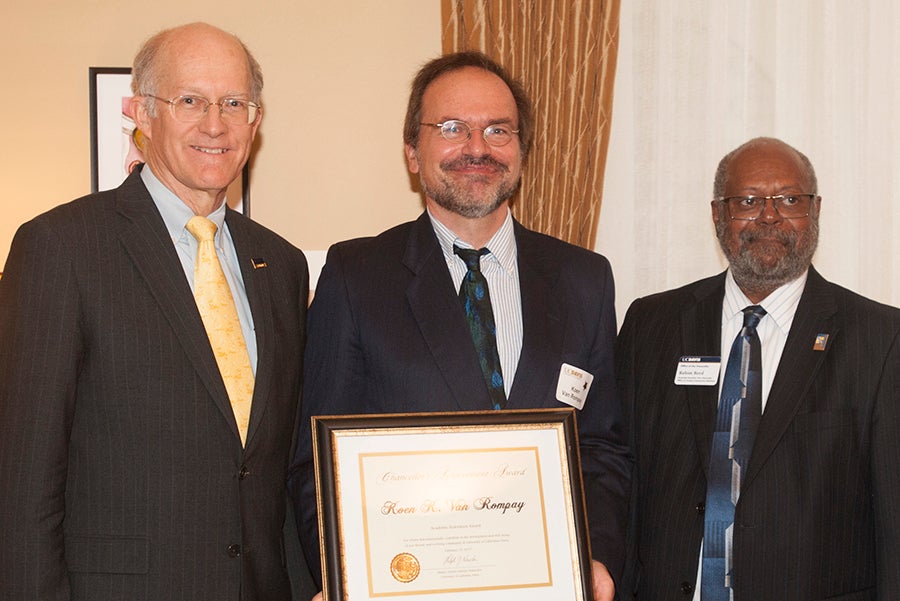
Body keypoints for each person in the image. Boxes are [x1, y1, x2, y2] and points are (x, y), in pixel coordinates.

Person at [288, 51, 631, 601]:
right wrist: (343, 574)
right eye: (452, 128)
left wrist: (594, 557)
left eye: (498, 130)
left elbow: (602, 446)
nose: (478, 148)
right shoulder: (356, 277)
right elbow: (316, 461)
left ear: (521, 150)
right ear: (411, 152)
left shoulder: (584, 279)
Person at [0, 23, 310, 601]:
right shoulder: (61, 247)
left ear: (255, 121)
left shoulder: (283, 266)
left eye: (234, 103)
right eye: (189, 100)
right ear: (141, 112)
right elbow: (22, 483)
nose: (214, 124)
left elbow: (274, 470)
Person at [617, 137, 900, 600]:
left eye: (790, 199)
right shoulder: (652, 324)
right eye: (748, 201)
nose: (769, 216)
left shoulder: (882, 339)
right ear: (717, 214)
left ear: (816, 210)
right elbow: (624, 478)